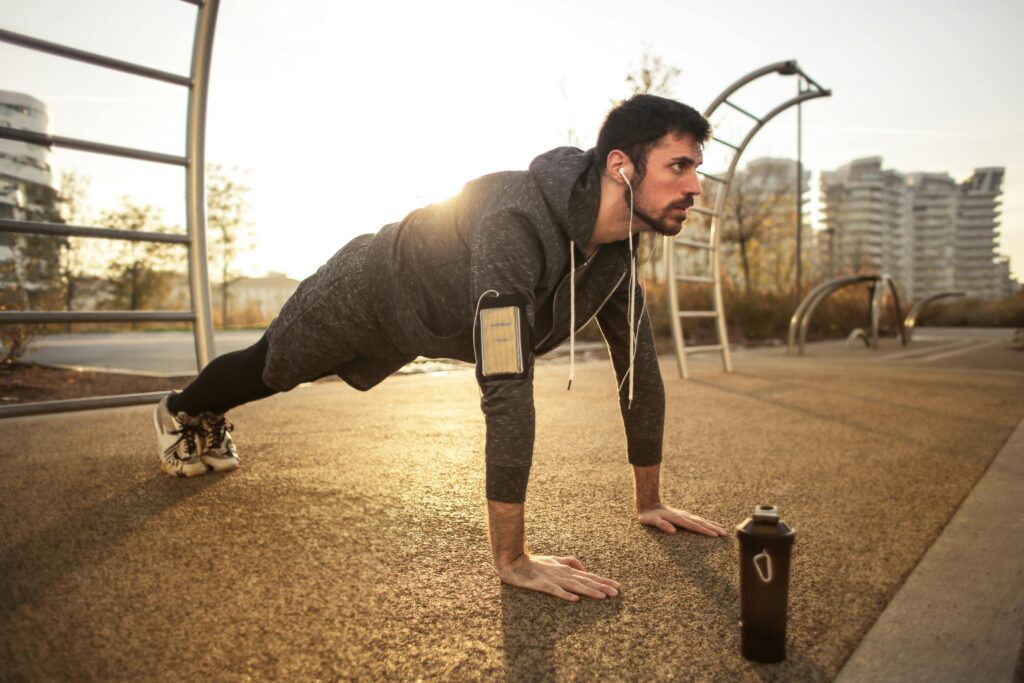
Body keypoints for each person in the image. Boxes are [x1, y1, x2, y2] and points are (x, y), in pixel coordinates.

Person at [153, 94, 729, 602]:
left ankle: (200, 411)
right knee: (271, 368)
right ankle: (183, 408)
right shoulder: (515, 222)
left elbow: (640, 369)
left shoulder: (620, 253)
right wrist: (513, 558)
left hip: (428, 323)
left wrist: (649, 501)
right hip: (368, 288)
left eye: (697, 169)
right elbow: (506, 382)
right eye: (678, 166)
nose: (695, 186)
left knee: (276, 369)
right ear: (621, 166)